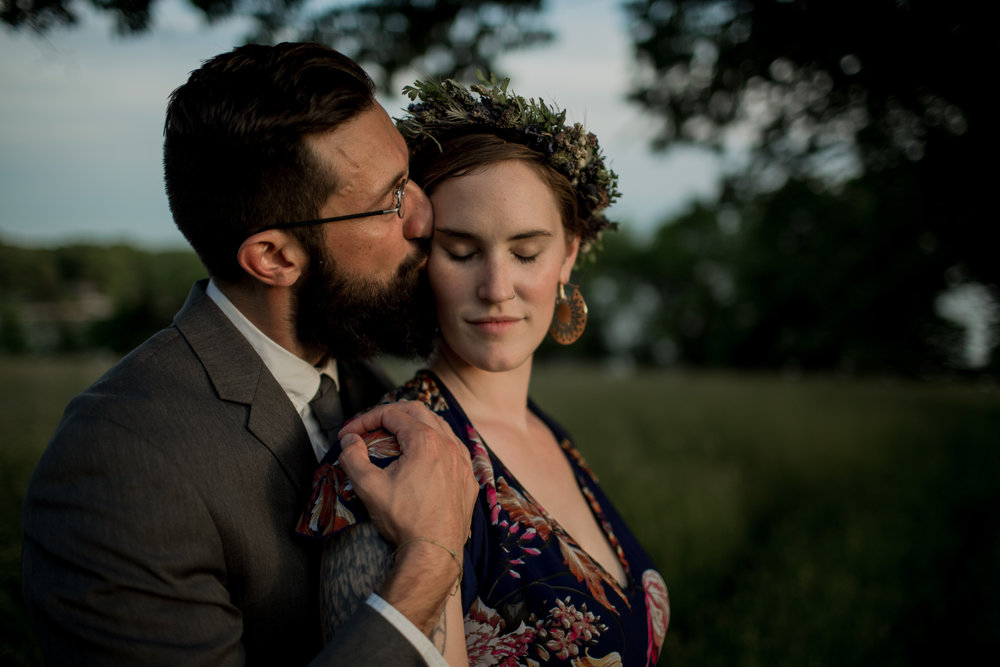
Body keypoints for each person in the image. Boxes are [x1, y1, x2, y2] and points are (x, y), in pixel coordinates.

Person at [21, 43, 479, 666]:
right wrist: (429, 561)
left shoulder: (373, 388)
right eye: (393, 198)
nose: (426, 217)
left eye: (411, 176)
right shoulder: (118, 459)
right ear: (274, 258)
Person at [297, 77, 671, 666]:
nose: (497, 289)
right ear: (421, 261)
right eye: (462, 252)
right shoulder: (389, 460)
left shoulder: (546, 433)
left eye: (526, 253)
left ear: (569, 253)